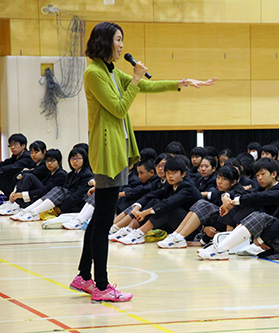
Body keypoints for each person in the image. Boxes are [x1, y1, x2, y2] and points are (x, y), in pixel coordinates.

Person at [69, 22, 216, 303]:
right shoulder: (94, 73)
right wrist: (135, 79)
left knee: (100, 218)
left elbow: (147, 86)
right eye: (118, 40)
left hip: (117, 150)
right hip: (108, 154)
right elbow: (119, 107)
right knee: (103, 222)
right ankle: (100, 286)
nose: (122, 45)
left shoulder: (110, 71)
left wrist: (181, 83)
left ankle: (83, 276)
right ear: (105, 42)